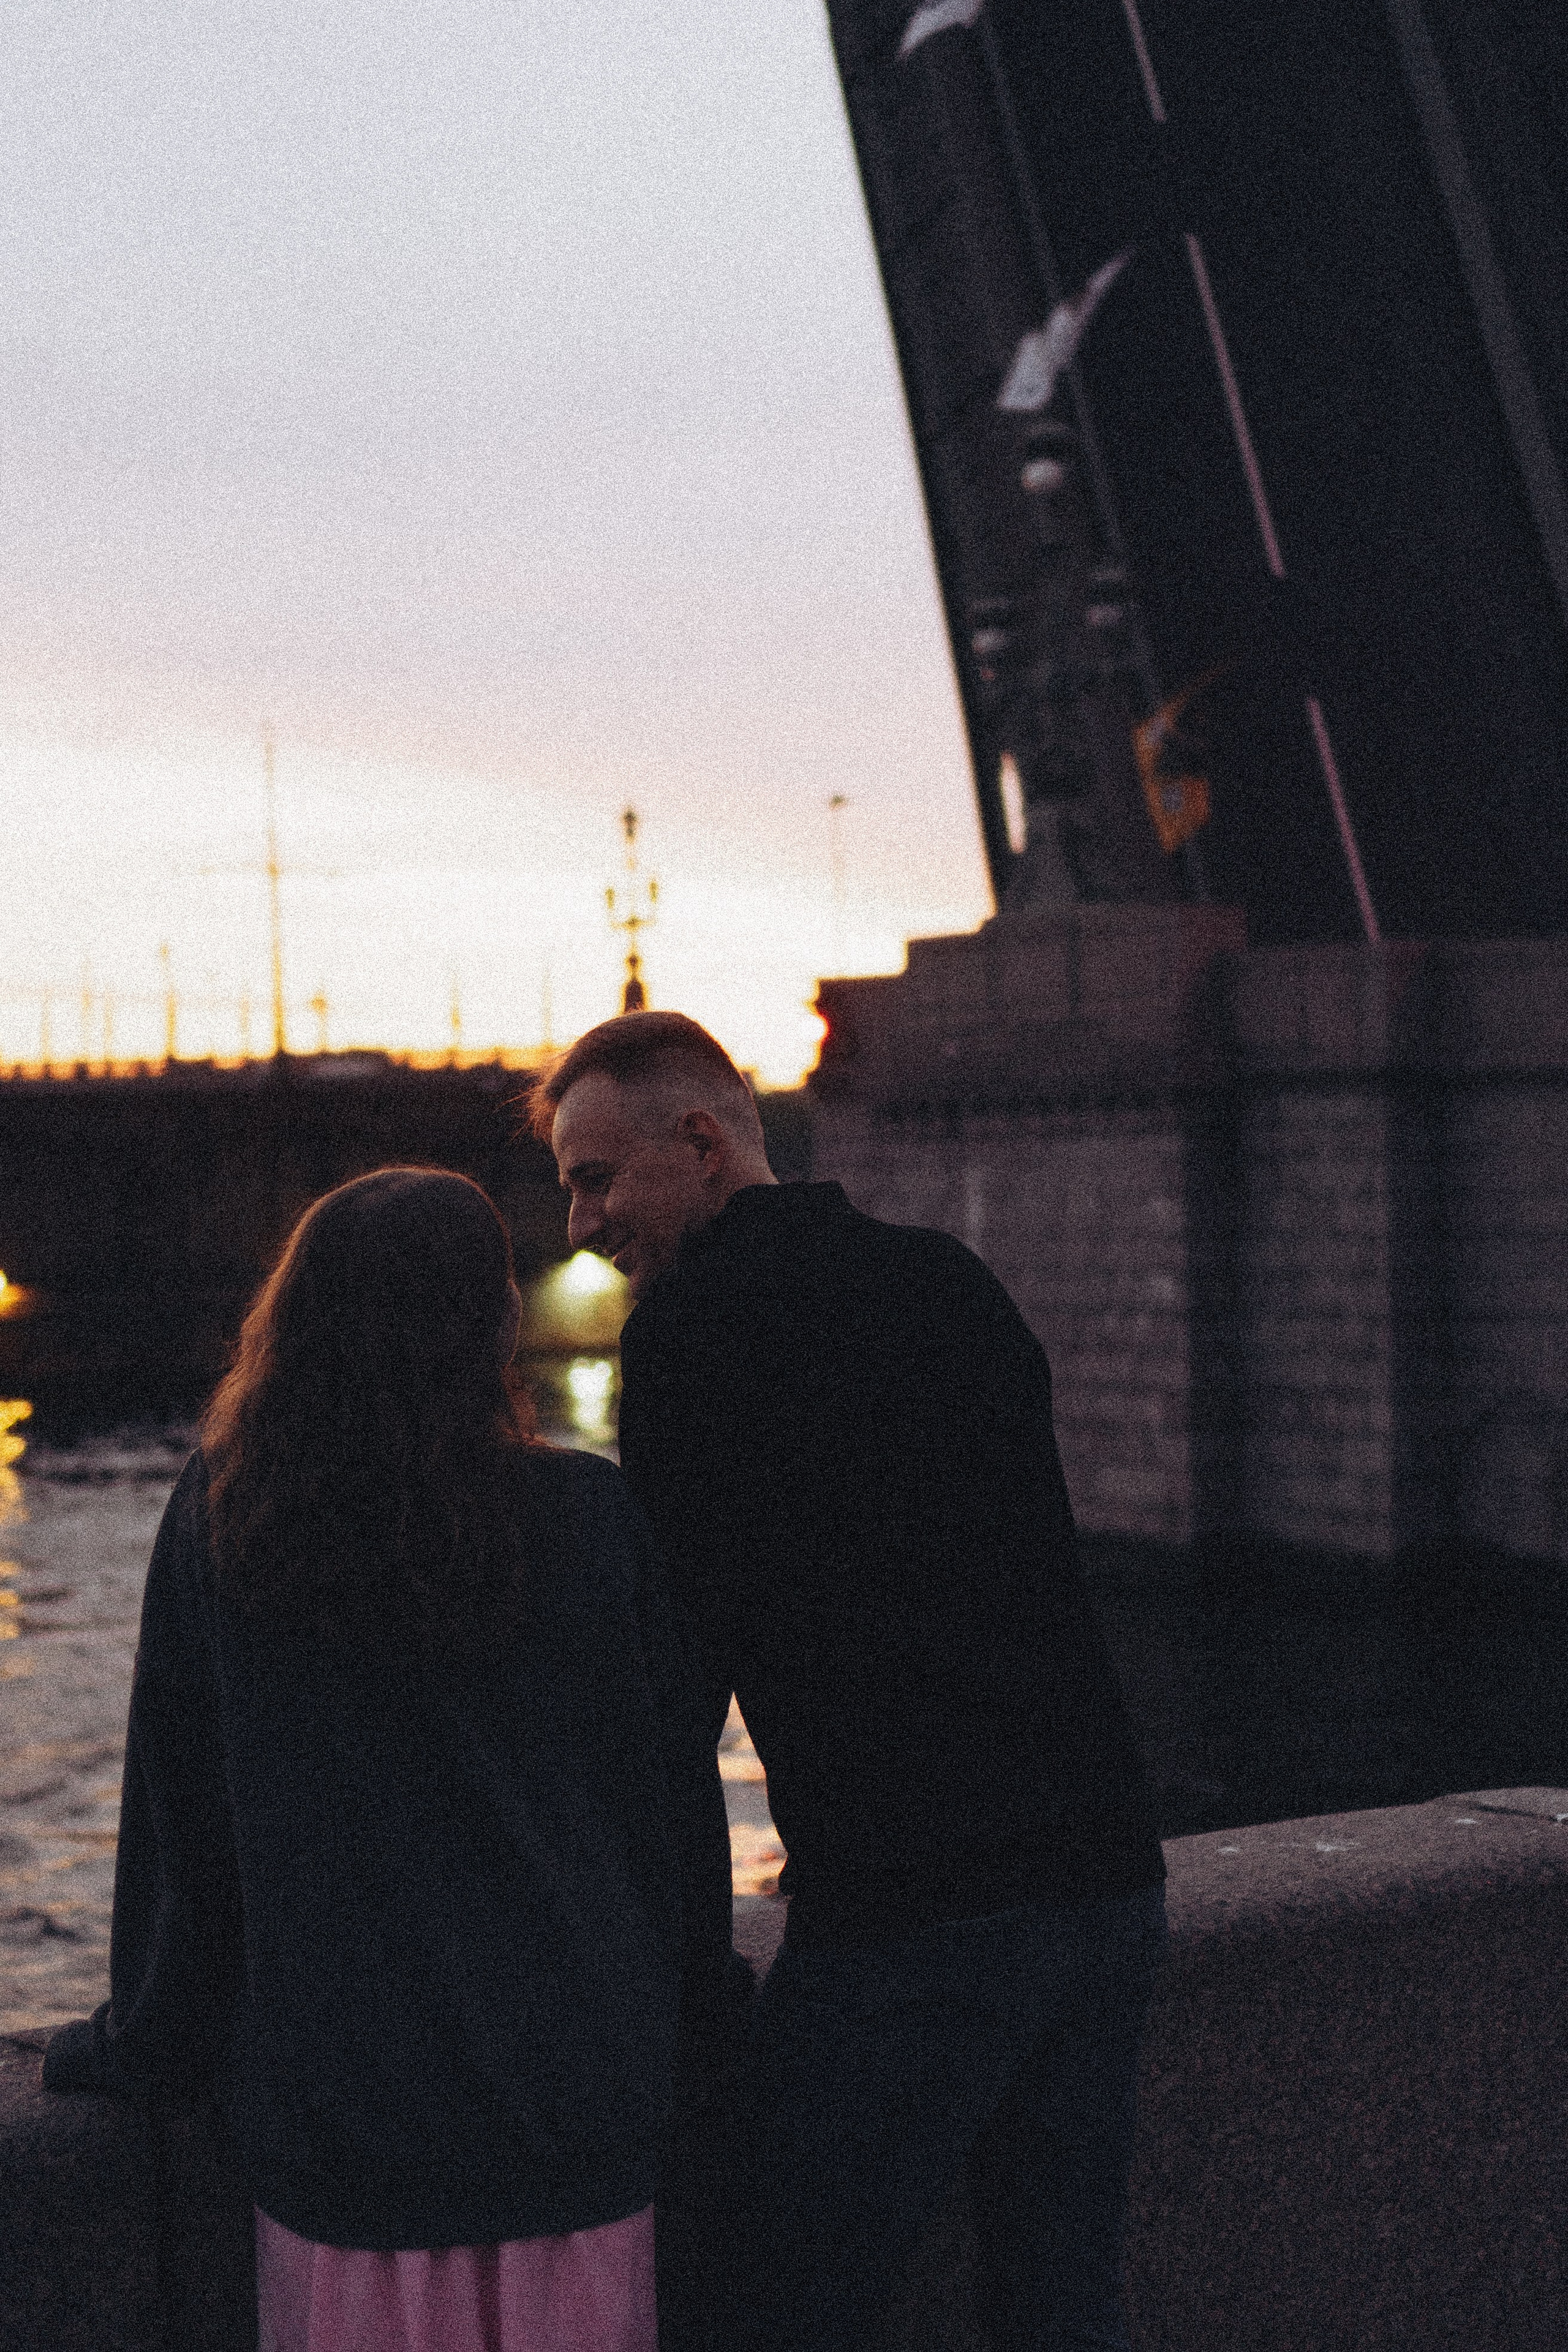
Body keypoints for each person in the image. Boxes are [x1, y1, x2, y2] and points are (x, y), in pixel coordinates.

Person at [536, 1011, 1170, 2352]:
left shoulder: (689, 1337)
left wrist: (680, 1959)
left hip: (912, 1913)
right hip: (1107, 1883)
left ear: (702, 1142)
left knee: (772, 2313)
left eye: (594, 1177)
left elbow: (675, 1695)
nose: (580, 1224)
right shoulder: (949, 1279)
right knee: (1061, 2307)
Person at [44, 1165, 735, 2352]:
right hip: (578, 2116)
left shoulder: (223, 1521)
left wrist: (138, 2046)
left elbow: (185, 1843)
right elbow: (667, 1818)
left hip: (350, 2137)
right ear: (489, 1327)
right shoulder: (588, 1519)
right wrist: (696, 2025)